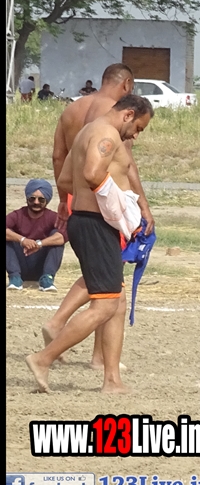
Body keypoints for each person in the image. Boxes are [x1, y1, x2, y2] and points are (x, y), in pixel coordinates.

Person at [25, 94, 154, 394]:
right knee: (105, 304)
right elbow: (92, 173)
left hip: (85, 221)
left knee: (116, 300)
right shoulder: (107, 135)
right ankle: (44, 358)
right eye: (138, 128)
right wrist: (120, 205)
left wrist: (88, 198)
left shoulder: (86, 131)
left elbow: (65, 180)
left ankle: (112, 380)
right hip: (96, 224)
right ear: (128, 114)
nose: (136, 135)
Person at [7, 179, 66, 291]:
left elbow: (63, 236)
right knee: (8, 234)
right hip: (20, 263)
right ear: (27, 198)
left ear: (47, 200)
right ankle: (14, 278)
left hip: (42, 265)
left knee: (56, 236)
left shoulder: (53, 217)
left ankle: (47, 279)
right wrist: (23, 240)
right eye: (32, 198)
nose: (36, 202)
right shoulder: (17, 215)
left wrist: (39, 244)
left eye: (41, 199)